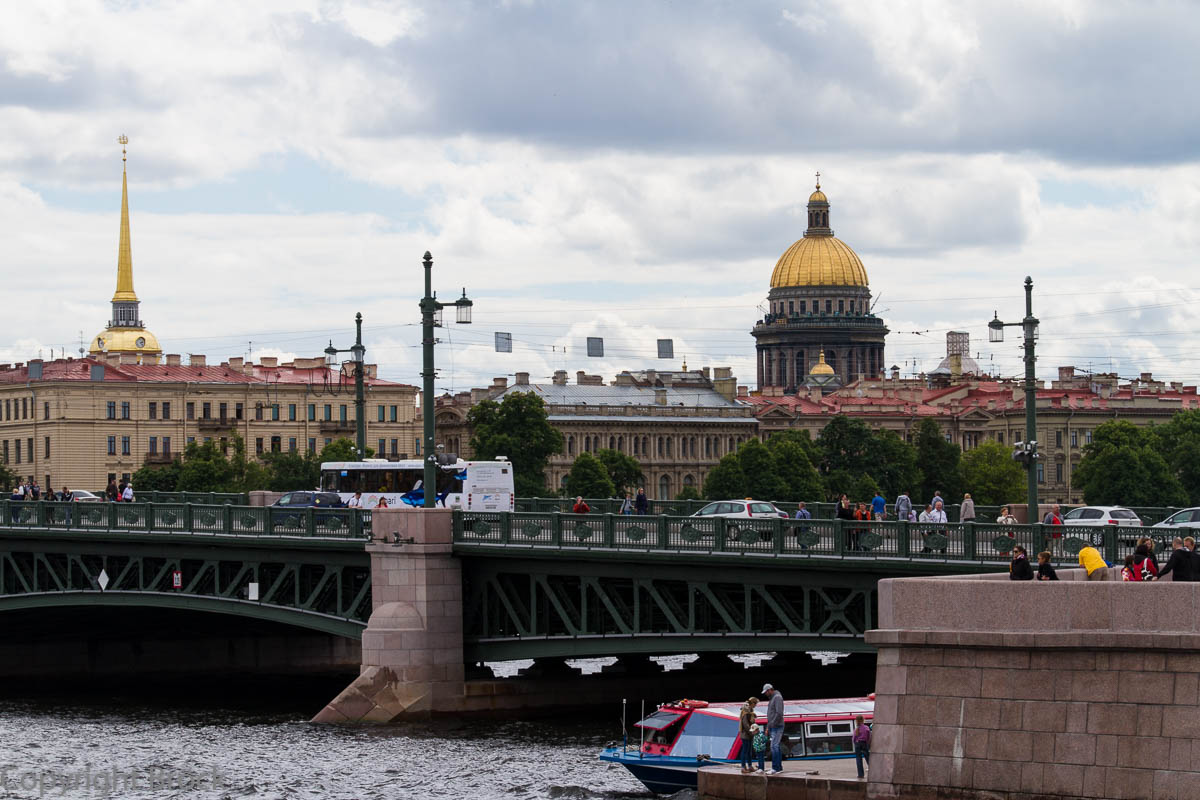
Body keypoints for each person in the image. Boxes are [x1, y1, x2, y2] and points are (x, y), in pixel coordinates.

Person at [762, 683, 785, 774]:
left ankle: (775, 768)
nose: (765, 694)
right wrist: (768, 727)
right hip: (773, 726)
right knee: (776, 746)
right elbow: (770, 715)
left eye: (766, 692)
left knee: (774, 746)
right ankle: (778, 767)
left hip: (777, 726)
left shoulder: (777, 698)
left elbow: (779, 713)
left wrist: (772, 724)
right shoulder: (772, 698)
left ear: (770, 690)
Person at [739, 697, 762, 773]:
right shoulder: (745, 711)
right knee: (745, 751)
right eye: (755, 704)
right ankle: (743, 767)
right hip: (745, 734)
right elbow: (745, 724)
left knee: (749, 751)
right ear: (752, 703)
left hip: (749, 734)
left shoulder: (750, 711)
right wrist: (751, 731)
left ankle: (749, 766)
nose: (756, 705)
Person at [852, 714, 871, 779]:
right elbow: (868, 737)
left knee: (858, 759)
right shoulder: (866, 728)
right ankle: (873, 772)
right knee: (868, 758)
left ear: (856, 721)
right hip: (864, 744)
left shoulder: (856, 729)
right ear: (863, 720)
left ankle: (860, 775)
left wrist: (855, 743)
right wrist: (868, 743)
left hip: (857, 744)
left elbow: (854, 738)